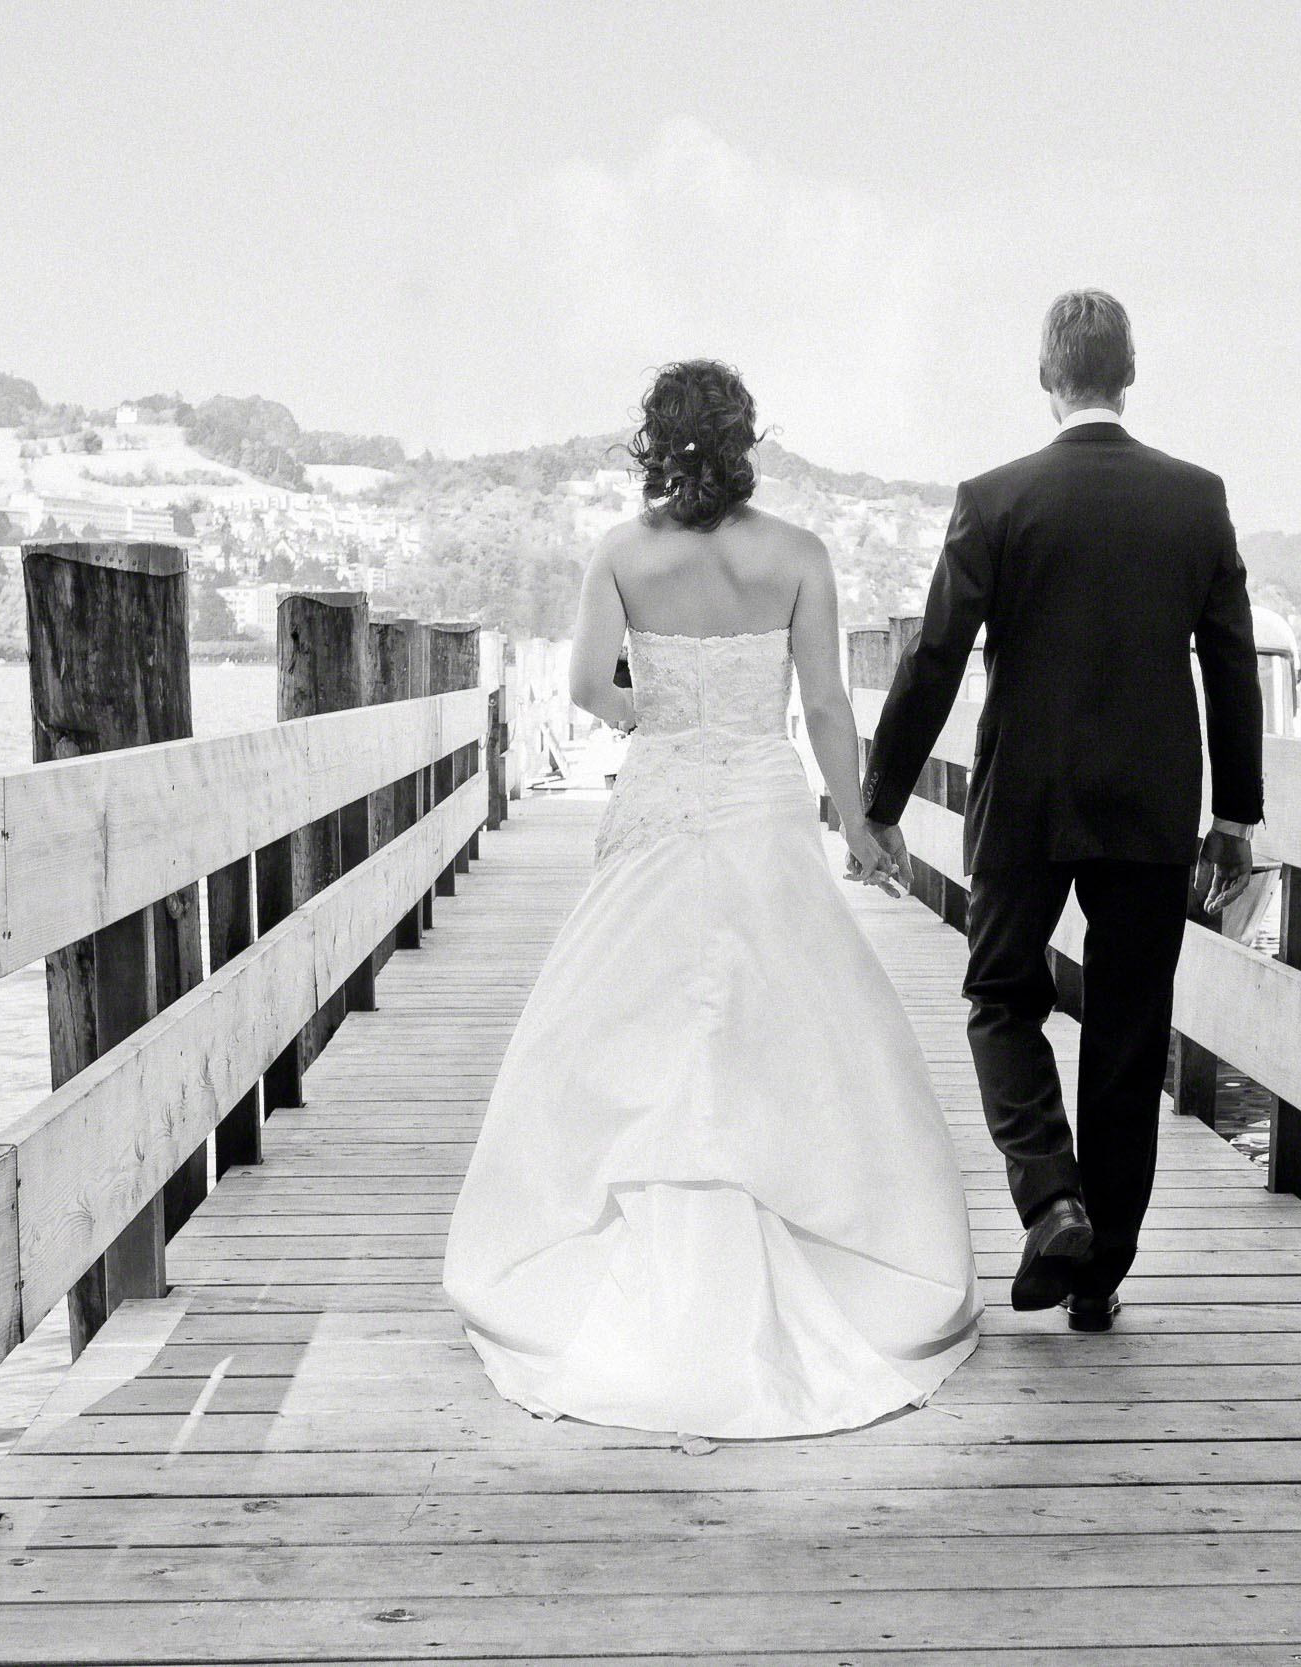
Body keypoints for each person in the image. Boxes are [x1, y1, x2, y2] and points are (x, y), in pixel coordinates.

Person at [442, 360, 980, 1438]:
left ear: (654, 441)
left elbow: (593, 687)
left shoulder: (621, 554)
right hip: (761, 799)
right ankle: (807, 1240)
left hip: (663, 793)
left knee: (629, 1010)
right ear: (745, 440)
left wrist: (664, 716)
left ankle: (617, 1253)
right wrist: (862, 817)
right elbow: (825, 702)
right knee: (779, 1008)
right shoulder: (796, 556)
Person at [863, 290, 1264, 1334]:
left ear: (1045, 376)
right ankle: (1100, 1274)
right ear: (1129, 374)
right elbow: (1230, 669)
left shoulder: (994, 499)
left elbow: (936, 656)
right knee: (1128, 1033)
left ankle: (1051, 1197)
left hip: (1025, 799)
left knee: (1001, 994)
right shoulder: (1196, 498)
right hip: (1148, 802)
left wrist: (880, 798)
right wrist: (1237, 817)